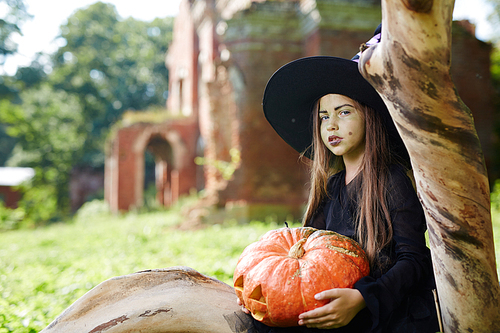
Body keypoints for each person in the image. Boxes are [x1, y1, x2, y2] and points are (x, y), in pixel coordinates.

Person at [240, 26, 441, 333]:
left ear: (369, 117)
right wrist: (263, 287)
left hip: (387, 312)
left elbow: (413, 261)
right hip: (336, 304)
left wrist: (362, 298)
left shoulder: (392, 180)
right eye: (323, 116)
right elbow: (307, 261)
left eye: (344, 112)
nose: (331, 124)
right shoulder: (331, 187)